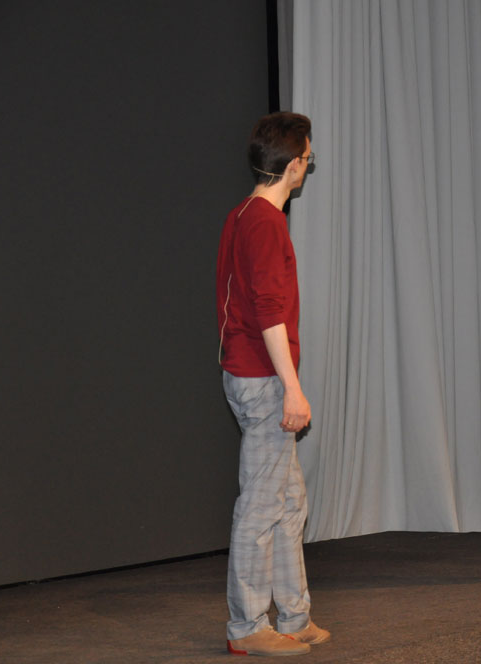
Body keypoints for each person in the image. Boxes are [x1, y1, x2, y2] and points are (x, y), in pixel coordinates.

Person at [215, 112, 331, 656]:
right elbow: (266, 311)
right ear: (293, 165)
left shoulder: (249, 215)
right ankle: (246, 628)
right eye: (307, 156)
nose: (308, 165)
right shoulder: (262, 221)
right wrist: (292, 386)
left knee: (288, 503)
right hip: (262, 378)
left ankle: (293, 615)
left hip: (257, 374)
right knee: (261, 507)